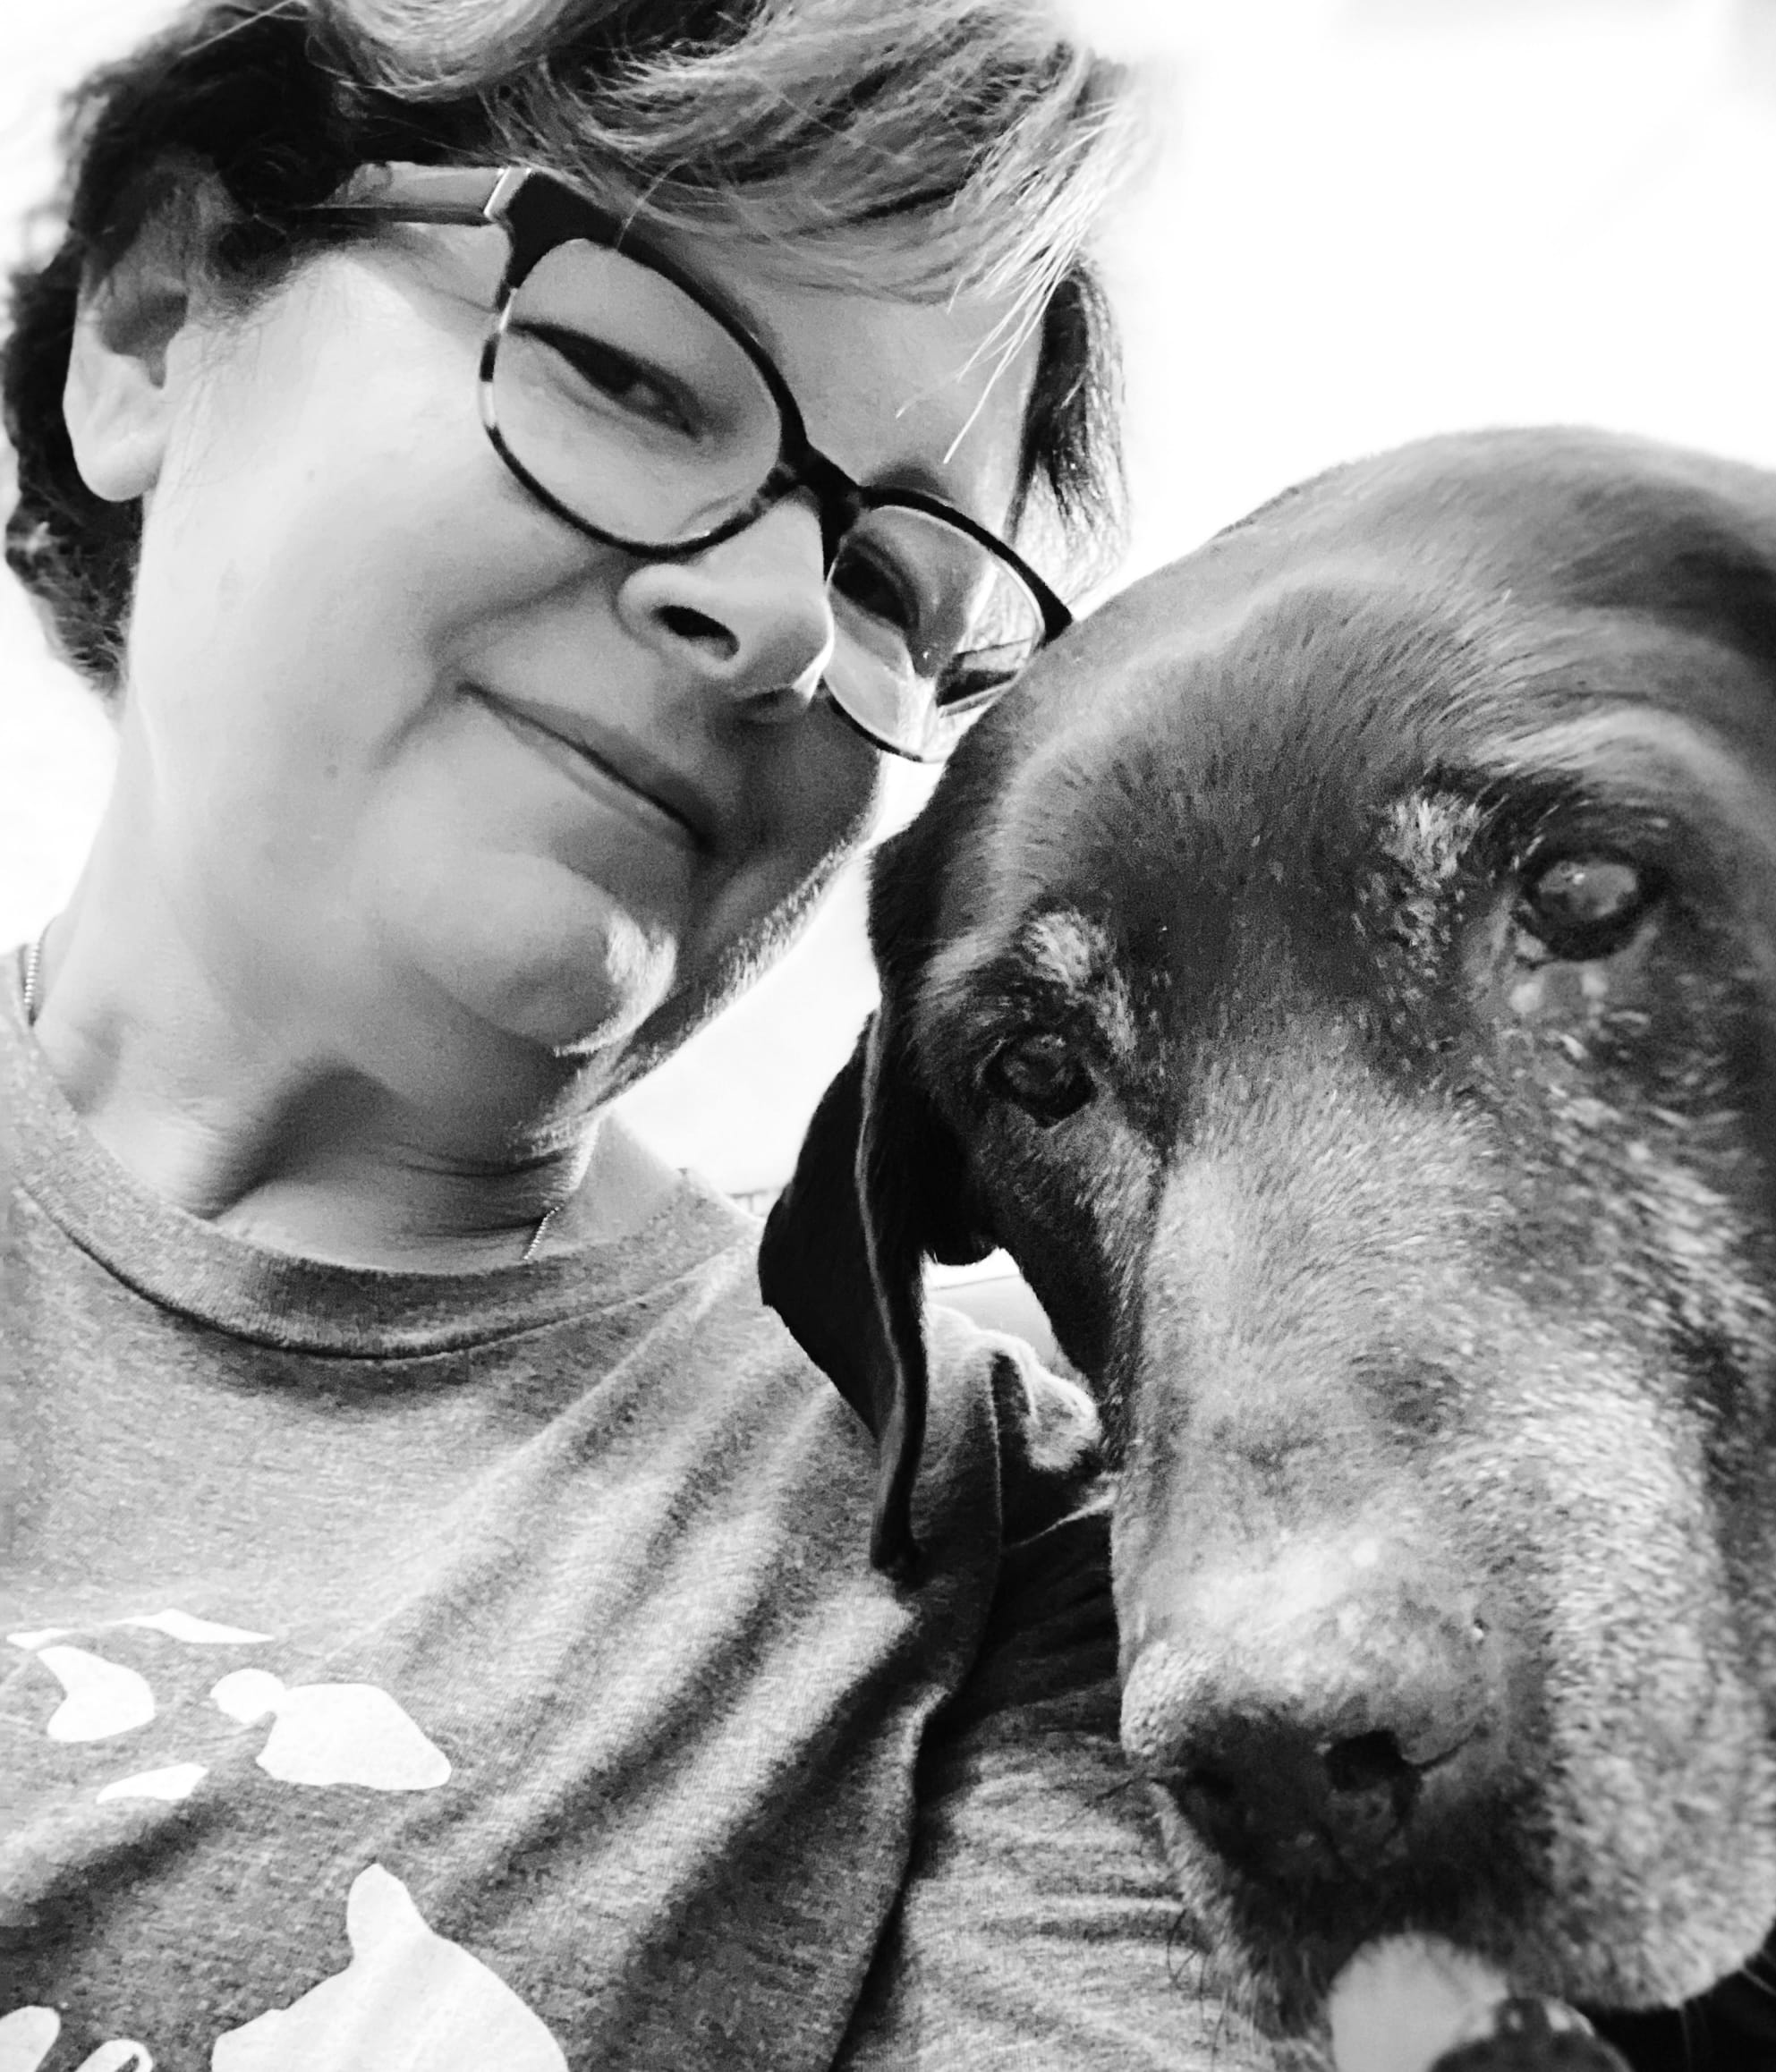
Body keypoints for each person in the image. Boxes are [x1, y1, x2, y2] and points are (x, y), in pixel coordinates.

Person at [0, 3, 1229, 2063]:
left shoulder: (1003, 1550)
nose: (773, 617)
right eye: (630, 373)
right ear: (149, 322)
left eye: (892, 588)